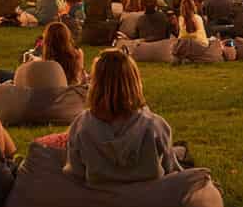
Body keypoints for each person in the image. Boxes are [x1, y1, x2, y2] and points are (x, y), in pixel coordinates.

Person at [64, 49, 184, 185]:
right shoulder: (154, 125)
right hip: (148, 199)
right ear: (134, 82)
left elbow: (75, 172)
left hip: (101, 199)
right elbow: (172, 170)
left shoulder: (81, 125)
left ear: (95, 84)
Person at [35, 21, 86, 86]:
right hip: (73, 89)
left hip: (56, 91)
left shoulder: (48, 59)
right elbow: (80, 75)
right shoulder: (77, 53)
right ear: (67, 36)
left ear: (47, 39)